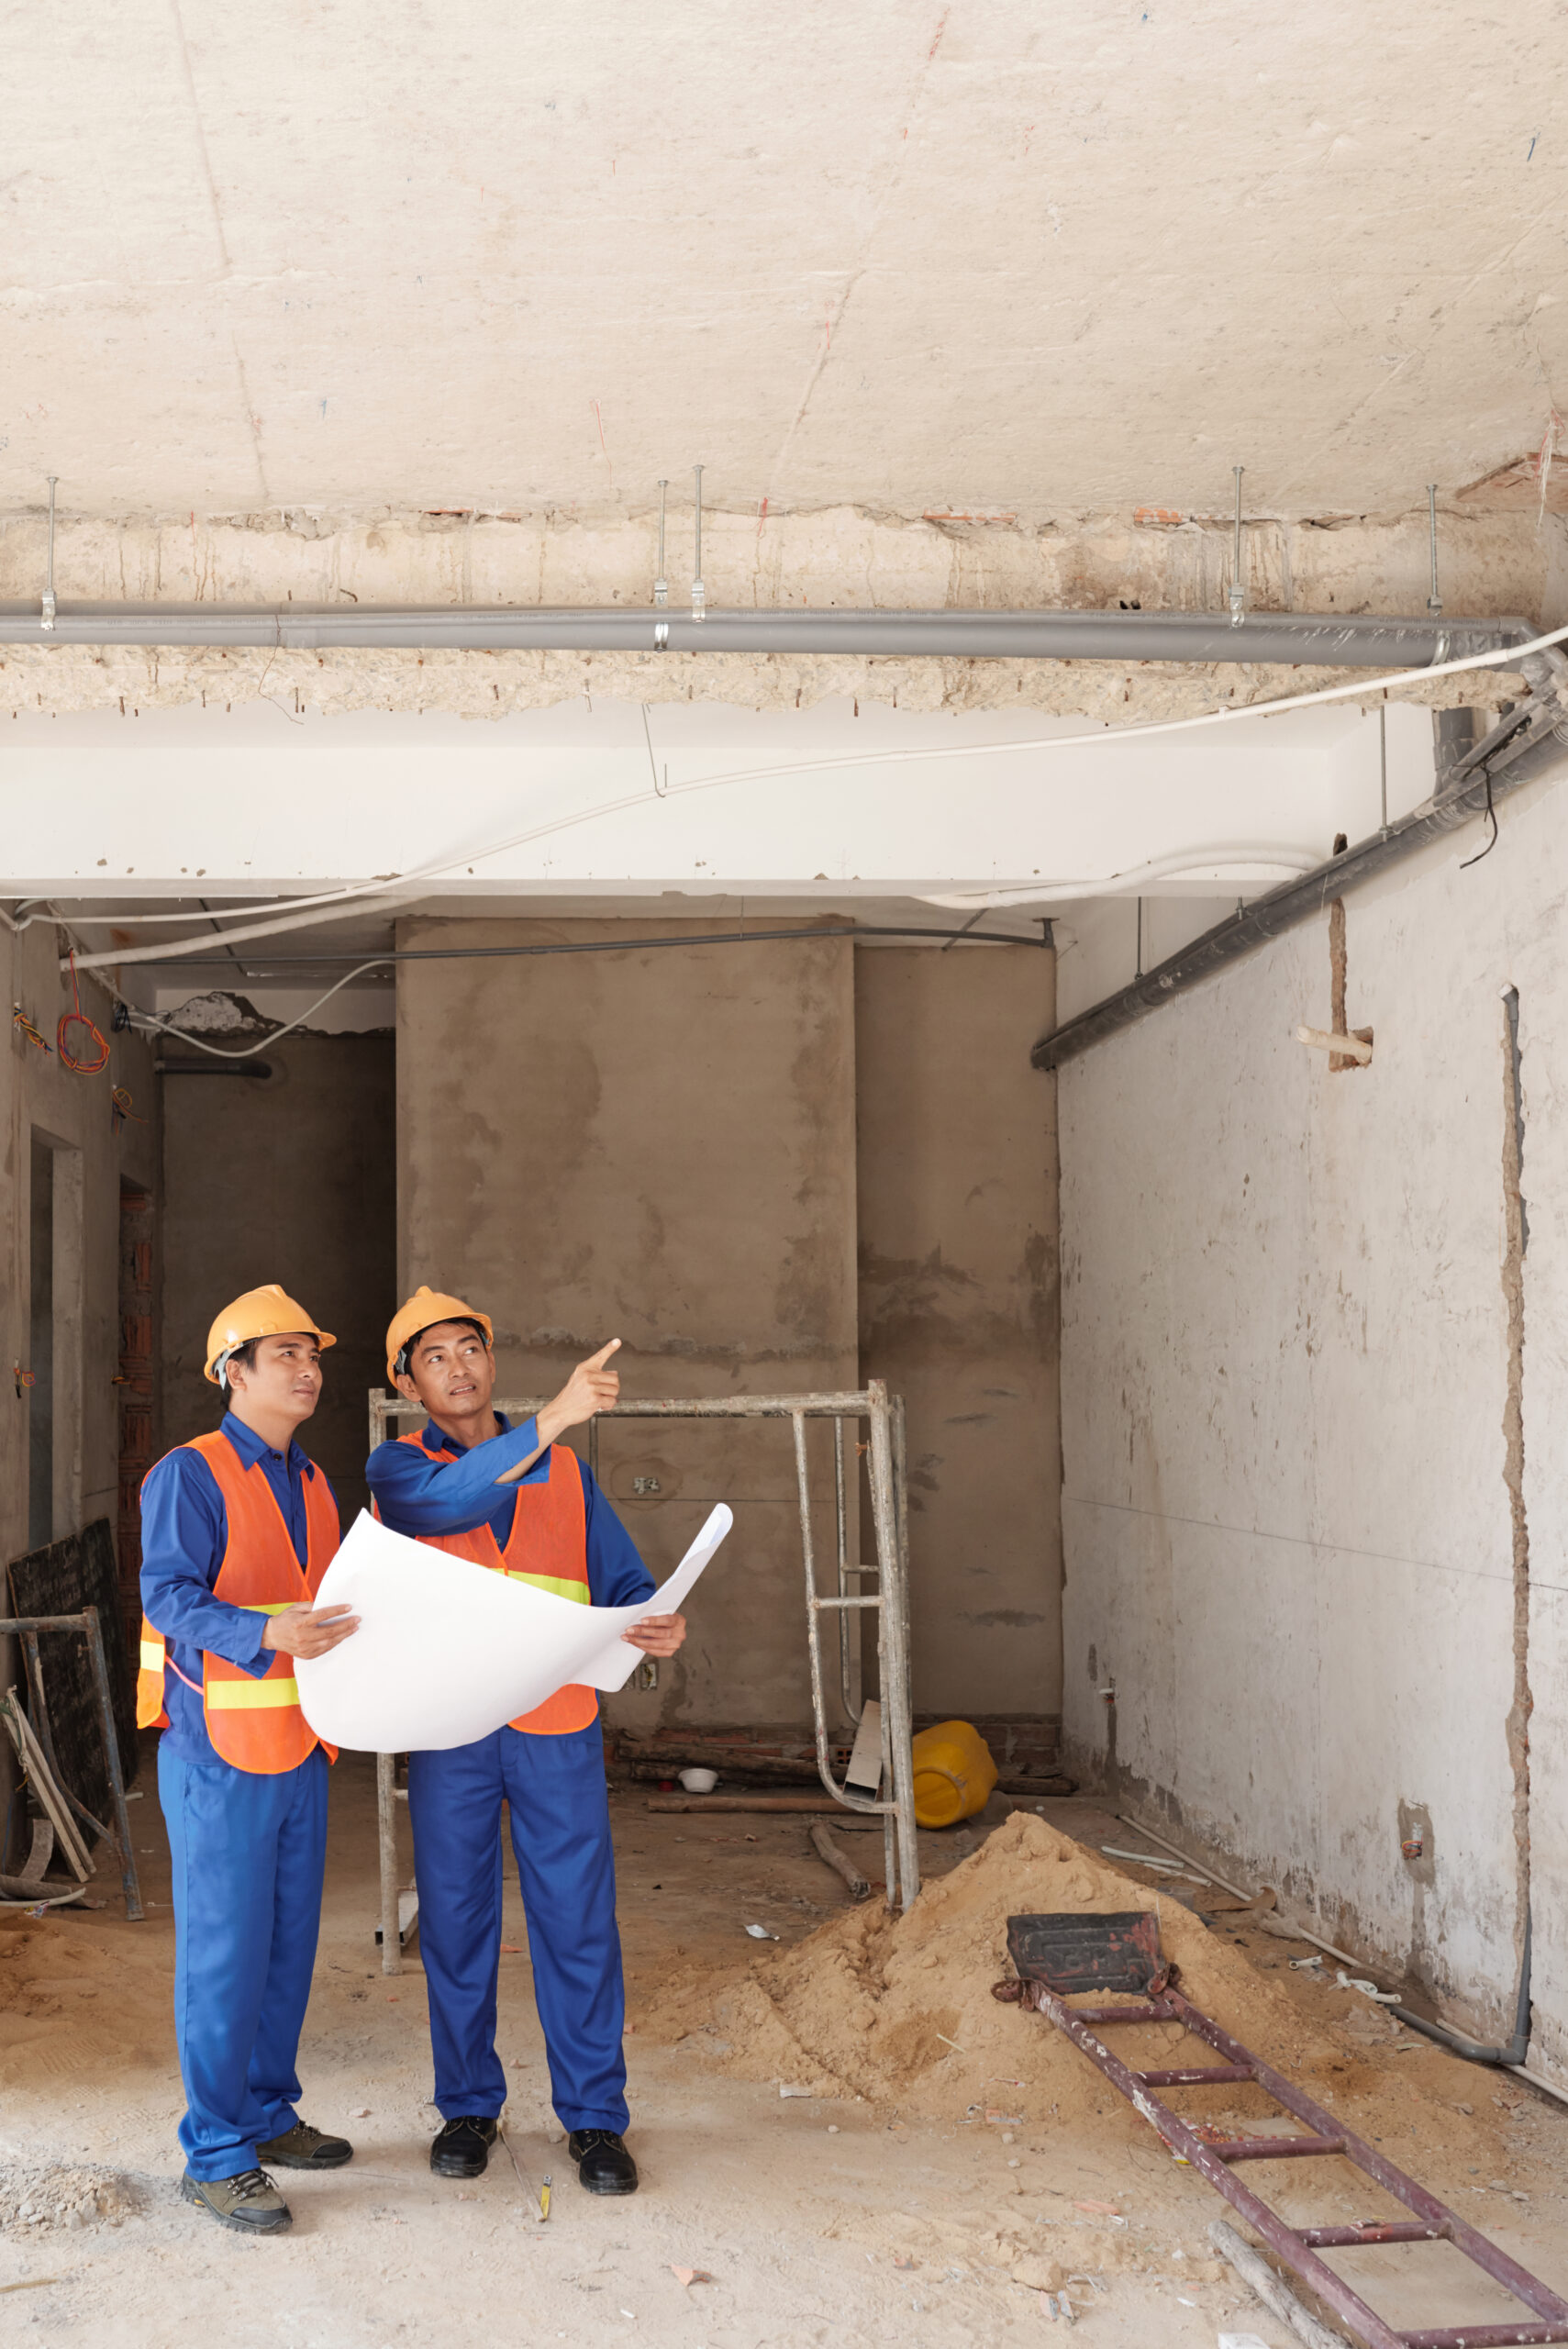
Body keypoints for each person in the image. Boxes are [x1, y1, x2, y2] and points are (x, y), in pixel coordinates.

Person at [366, 1286, 686, 2196]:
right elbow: (450, 1502)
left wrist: (653, 1617)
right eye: (434, 1357)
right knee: (457, 1924)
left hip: (556, 1728)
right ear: (408, 1385)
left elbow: (622, 1578)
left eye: (469, 1347)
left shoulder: (567, 1475)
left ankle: (594, 2119)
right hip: (455, 1731)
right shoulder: (398, 1470)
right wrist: (552, 1418)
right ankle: (468, 2106)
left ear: (491, 1359)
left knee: (577, 1922)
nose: (457, 1367)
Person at [137, 1285, 361, 2235]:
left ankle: (267, 2112)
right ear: (234, 1372)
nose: (308, 1372)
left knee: (285, 1945)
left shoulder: (311, 1480)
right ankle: (216, 2152)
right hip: (218, 1753)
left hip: (299, 1744)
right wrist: (266, 1631)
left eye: (313, 1356)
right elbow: (167, 1594)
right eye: (286, 1356)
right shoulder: (189, 1473)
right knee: (224, 1954)